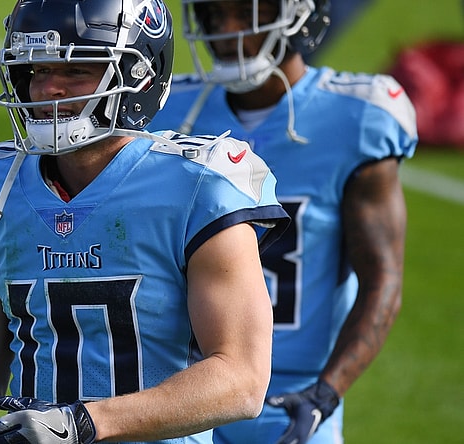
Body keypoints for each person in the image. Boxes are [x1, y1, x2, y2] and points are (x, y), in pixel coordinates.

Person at [0, 0, 290, 443]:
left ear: (138, 76)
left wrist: (82, 424)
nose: (49, 88)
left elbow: (241, 380)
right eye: (38, 71)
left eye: (76, 71)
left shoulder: (199, 184)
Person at [148, 1, 418, 443]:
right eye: (214, 16)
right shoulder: (169, 111)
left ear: (296, 14)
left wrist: (324, 395)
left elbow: (382, 281)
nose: (226, 31)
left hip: (293, 398)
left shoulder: (356, 119)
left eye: (245, 14)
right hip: (186, 386)